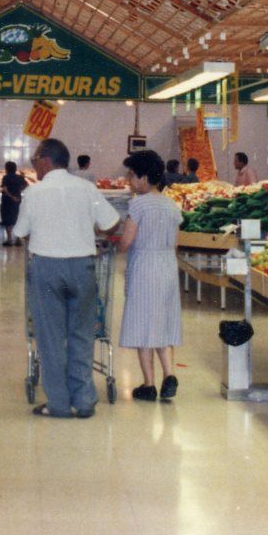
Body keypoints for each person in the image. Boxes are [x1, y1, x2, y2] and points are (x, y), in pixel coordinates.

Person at [16, 138, 121, 418]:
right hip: (82, 268)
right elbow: (112, 223)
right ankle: (85, 400)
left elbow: (21, 232)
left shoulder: (34, 193)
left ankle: (59, 404)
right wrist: (89, 232)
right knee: (82, 334)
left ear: (46, 160)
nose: (33, 165)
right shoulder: (87, 189)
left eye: (35, 160)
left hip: (46, 268)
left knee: (50, 337)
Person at [118, 150, 182, 403]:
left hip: (145, 264)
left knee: (143, 322)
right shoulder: (171, 204)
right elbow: (176, 243)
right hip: (167, 264)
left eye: (132, 175)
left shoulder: (138, 204)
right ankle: (169, 373)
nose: (128, 180)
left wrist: (114, 245)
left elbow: (126, 241)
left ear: (144, 177)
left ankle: (149, 383)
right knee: (162, 320)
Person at [0, 160, 27, 234]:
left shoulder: (6, 177)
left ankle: (9, 239)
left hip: (7, 201)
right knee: (17, 218)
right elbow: (26, 185)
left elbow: (5, 189)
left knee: (8, 220)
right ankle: (18, 238)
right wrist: (19, 191)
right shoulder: (20, 177)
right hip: (17, 200)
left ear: (6, 168)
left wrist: (11, 196)